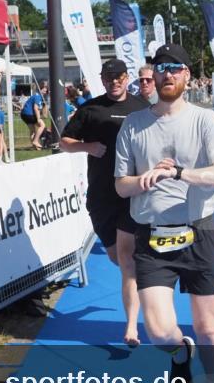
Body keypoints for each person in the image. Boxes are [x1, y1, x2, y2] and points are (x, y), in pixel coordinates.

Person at [114, 44, 214, 383]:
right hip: (151, 237)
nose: (167, 74)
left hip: (199, 233)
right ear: (153, 75)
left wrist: (180, 173)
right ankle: (181, 351)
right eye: (161, 68)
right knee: (159, 332)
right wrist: (143, 181)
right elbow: (121, 185)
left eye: (175, 68)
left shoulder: (205, 120)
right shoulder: (133, 125)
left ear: (187, 75)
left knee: (207, 326)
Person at [61, 58, 149, 347]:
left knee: (126, 260)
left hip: (130, 194)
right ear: (102, 79)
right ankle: (141, 281)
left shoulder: (140, 108)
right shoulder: (90, 109)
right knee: (117, 258)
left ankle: (132, 328)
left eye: (119, 76)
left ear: (127, 78)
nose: (114, 81)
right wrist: (88, 147)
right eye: (109, 76)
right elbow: (64, 142)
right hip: (100, 197)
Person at [21, 84, 47, 150]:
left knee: (32, 131)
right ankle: (35, 141)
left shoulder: (38, 96)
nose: (45, 90)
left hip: (24, 114)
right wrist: (38, 118)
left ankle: (36, 147)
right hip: (29, 114)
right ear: (40, 89)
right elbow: (36, 108)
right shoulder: (37, 96)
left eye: (46, 89)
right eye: (43, 88)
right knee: (42, 125)